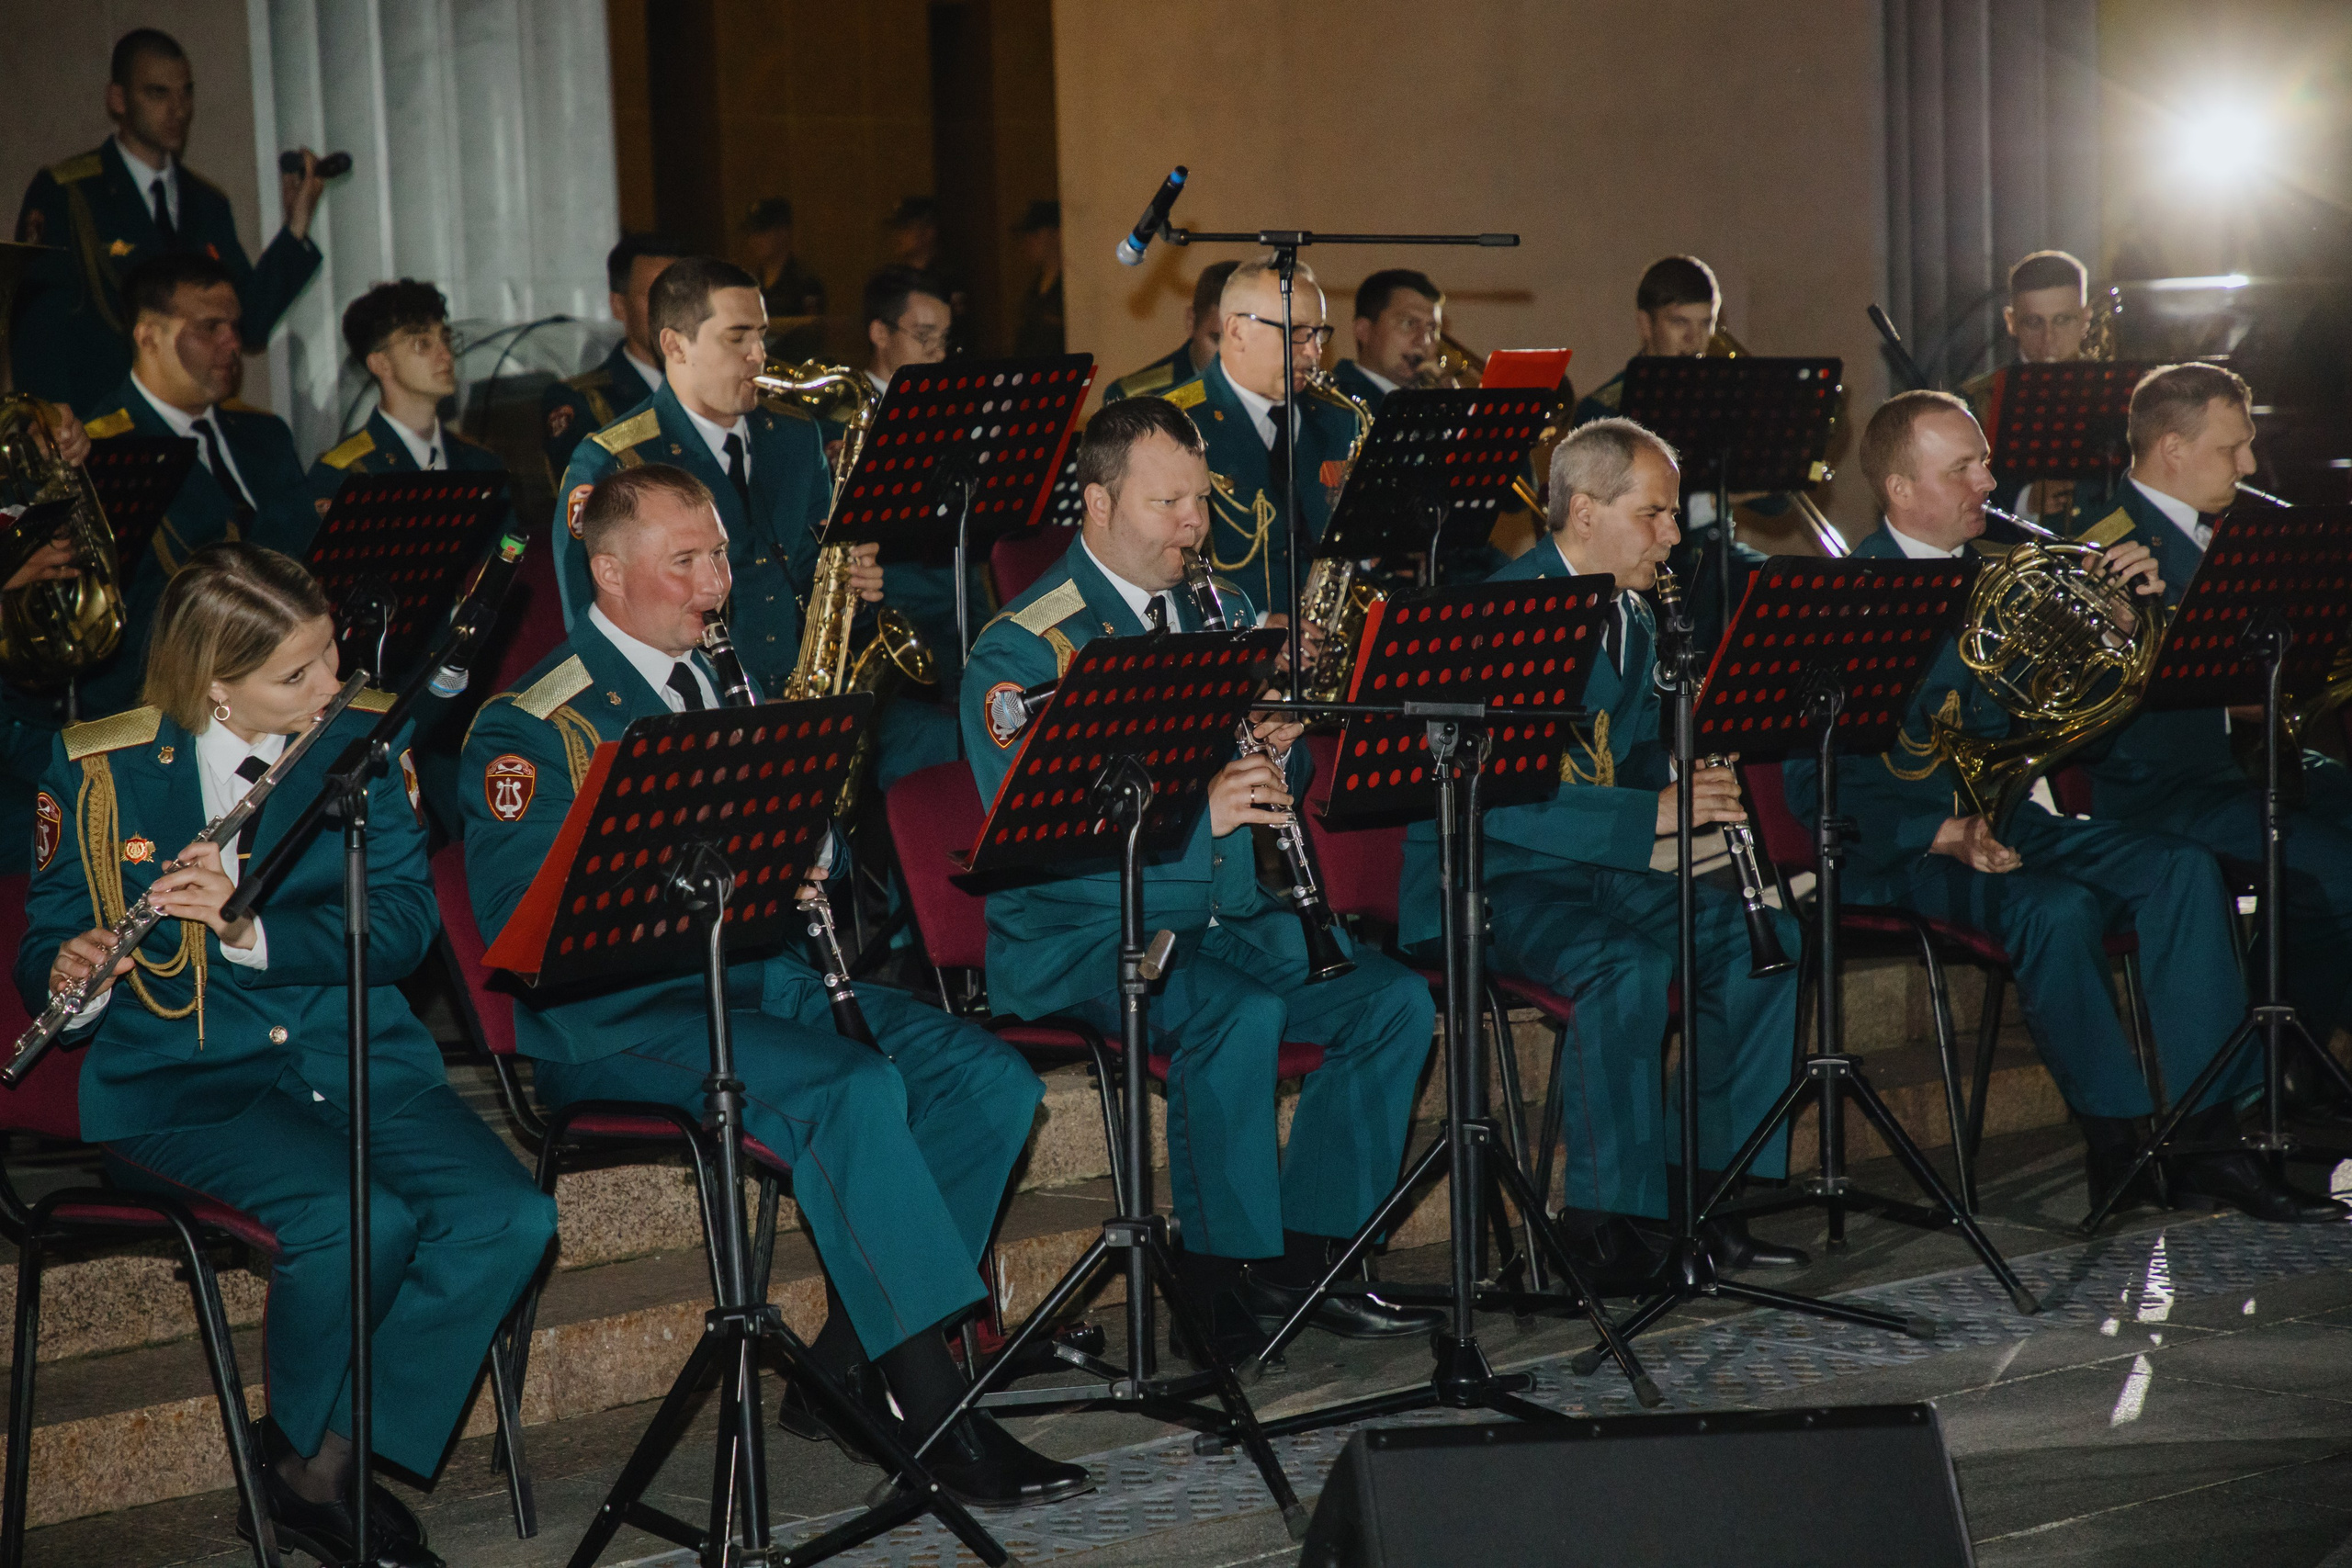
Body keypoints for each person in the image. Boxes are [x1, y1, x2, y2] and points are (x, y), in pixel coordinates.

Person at [460, 463, 1087, 1509]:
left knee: (988, 1082)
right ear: (608, 572)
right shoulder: (531, 726)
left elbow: (821, 839)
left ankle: (848, 1362)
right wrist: (701, 872)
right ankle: (931, 1412)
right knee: (848, 1089)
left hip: (763, 982)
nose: (716, 585)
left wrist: (812, 858)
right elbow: (524, 928)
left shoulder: (720, 674)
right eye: (687, 563)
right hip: (613, 1019)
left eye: (718, 557)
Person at [19, 544, 557, 1565]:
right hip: (183, 1086)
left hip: (360, 1059)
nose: (331, 688)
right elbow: (47, 932)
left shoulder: (356, 739)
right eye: (295, 676)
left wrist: (250, 932)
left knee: (509, 1218)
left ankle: (317, 1461)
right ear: (216, 686)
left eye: (331, 656)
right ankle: (318, 1472)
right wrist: (72, 974)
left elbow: (401, 924)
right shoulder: (104, 765)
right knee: (359, 1218)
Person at [963, 396, 1442, 1363]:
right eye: (1168, 502)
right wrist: (1199, 817)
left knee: (1389, 1002)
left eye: (1201, 500)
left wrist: (1281, 747)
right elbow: (1045, 843)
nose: (1196, 523)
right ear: (1095, 504)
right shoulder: (1023, 652)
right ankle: (1215, 1275)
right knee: (1238, 1016)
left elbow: (1262, 789)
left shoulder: (1211, 611)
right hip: (1083, 932)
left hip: (1224, 914)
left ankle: (1308, 1258)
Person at [1781, 390, 2336, 1220]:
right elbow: (1807, 785)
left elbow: (2088, 736)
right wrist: (1940, 831)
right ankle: (2115, 1142)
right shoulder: (1843, 598)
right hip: (1899, 854)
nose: (1989, 479)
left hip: (2014, 822)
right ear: (1899, 490)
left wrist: (2132, 624)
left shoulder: (2007, 571)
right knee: (2055, 909)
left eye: (1984, 460)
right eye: (1962, 467)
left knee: (2184, 869)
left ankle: (2209, 1138)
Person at [1401, 417, 1807, 1282]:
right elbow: (1485, 797)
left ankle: (1705, 1194)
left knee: (1761, 943)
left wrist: (1691, 769)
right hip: (1489, 876)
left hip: (1599, 868)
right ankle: (1604, 1225)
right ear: (1584, 511)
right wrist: (1653, 813)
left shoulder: (1635, 609)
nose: (1673, 534)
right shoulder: (1496, 612)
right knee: (1621, 965)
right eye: (1655, 514)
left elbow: (1619, 756)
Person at [2080, 362, 2352, 1073]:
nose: (2251, 463)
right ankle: (2278, 1063)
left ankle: (2291, 1051)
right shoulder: (2096, 547)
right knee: (2336, 875)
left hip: (2240, 765)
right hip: (2160, 787)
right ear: (2172, 448)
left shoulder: (2243, 527)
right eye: (2232, 447)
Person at [10, 28, 326, 412]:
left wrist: (296, 225)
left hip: (194, 426)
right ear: (118, 99)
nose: (178, 109)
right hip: (109, 424)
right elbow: (38, 330)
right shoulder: (69, 194)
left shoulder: (206, 202)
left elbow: (248, 324)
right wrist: (51, 425)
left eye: (186, 92)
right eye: (158, 93)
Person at [74, 252, 315, 718]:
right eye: (209, 328)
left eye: (235, 327)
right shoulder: (100, 451)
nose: (231, 344)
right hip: (162, 702)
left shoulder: (264, 436)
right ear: (148, 336)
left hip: (285, 688)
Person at [1572, 254, 1768, 658]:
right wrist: (1714, 500)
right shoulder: (1603, 411)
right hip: (1650, 567)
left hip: (1716, 558)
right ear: (1646, 324)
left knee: (1784, 588)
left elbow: (1776, 501)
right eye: (1680, 323)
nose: (1696, 340)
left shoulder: (1726, 397)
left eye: (1706, 323)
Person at [1163, 256, 1363, 618]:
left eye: (1319, 334)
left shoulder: (1339, 419)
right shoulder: (1169, 422)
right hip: (1226, 654)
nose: (1314, 352)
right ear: (1237, 331)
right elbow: (1153, 571)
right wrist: (1254, 627)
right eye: (1298, 332)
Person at [307, 279, 507, 504]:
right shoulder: (345, 474)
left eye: (446, 339)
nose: (446, 355)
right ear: (381, 364)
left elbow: (506, 540)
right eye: (422, 343)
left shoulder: (482, 464)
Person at [1959, 250, 2112, 531]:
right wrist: (2025, 501)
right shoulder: (1979, 399)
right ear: (2011, 321)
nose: (2048, 338)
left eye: (2062, 319)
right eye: (2033, 322)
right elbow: (1958, 498)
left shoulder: (2116, 389)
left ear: (2086, 317)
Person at [538, 232, 686, 487]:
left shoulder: (709, 384)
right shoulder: (584, 401)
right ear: (619, 305)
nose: (670, 310)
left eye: (681, 296)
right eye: (655, 296)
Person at [1099, 260, 1237, 404]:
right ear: (1191, 322)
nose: (1231, 356)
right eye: (1217, 339)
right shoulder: (1139, 398)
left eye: (1247, 342)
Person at [1331, 268, 1444, 412]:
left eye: (1432, 329)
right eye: (1408, 324)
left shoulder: (1428, 401)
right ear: (1363, 331)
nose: (1424, 341)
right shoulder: (1334, 402)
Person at [741, 197, 826, 362]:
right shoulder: (748, 284)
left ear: (783, 232)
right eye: (751, 232)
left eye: (763, 231)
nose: (755, 239)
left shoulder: (805, 283)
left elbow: (812, 333)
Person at [1010, 200, 1064, 357]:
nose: (1028, 240)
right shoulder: (1034, 291)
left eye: (1035, 233)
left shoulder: (1068, 290)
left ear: (1056, 233)